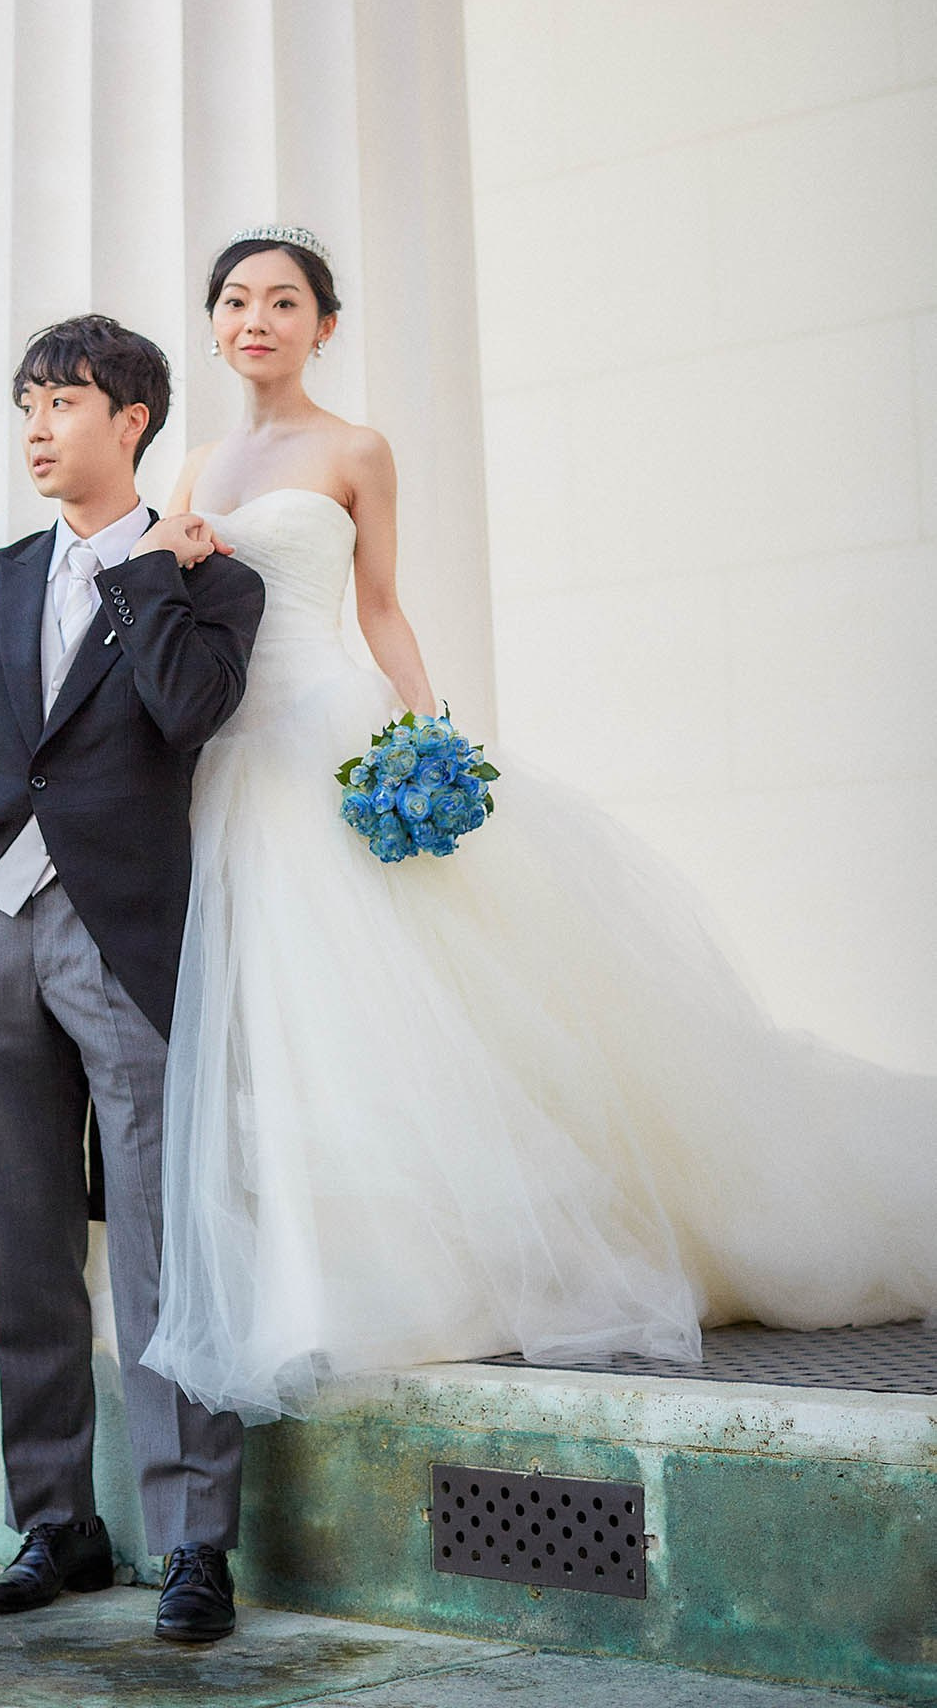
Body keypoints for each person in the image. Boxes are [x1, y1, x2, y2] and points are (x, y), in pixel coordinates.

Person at [139, 224, 937, 1426]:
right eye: (238, 299)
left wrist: (427, 735)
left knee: (400, 1011)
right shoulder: (194, 466)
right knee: (264, 1037)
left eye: (285, 300)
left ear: (324, 325)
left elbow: (383, 607)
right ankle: (304, 1277)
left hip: (324, 739)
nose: (259, 317)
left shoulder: (355, 447)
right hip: (226, 761)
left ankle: (458, 1262)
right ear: (213, 324)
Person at [0, 313, 266, 1641]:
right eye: (27, 405)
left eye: (64, 403)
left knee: (167, 1255)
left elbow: (189, 712)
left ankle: (193, 1545)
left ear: (132, 422)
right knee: (23, 1247)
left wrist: (150, 576)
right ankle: (57, 1522)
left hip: (122, 936)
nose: (38, 429)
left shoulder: (208, 583)